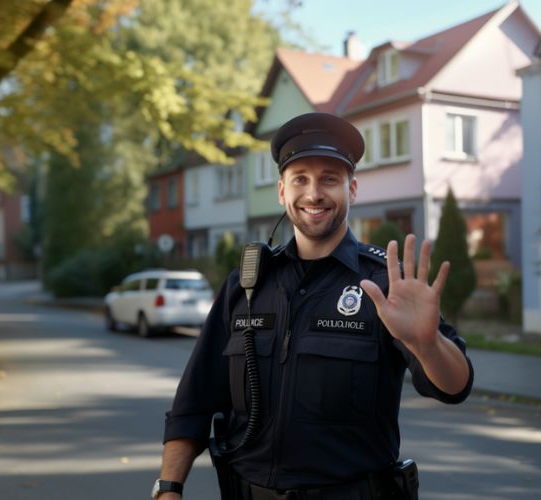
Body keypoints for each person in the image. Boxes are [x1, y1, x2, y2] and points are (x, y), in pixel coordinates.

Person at [153, 112, 474, 500]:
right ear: (282, 191)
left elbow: (456, 387)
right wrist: (168, 489)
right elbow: (194, 402)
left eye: (329, 179)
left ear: (351, 190)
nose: (313, 193)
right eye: (300, 178)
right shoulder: (245, 286)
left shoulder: (386, 286)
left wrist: (429, 345)